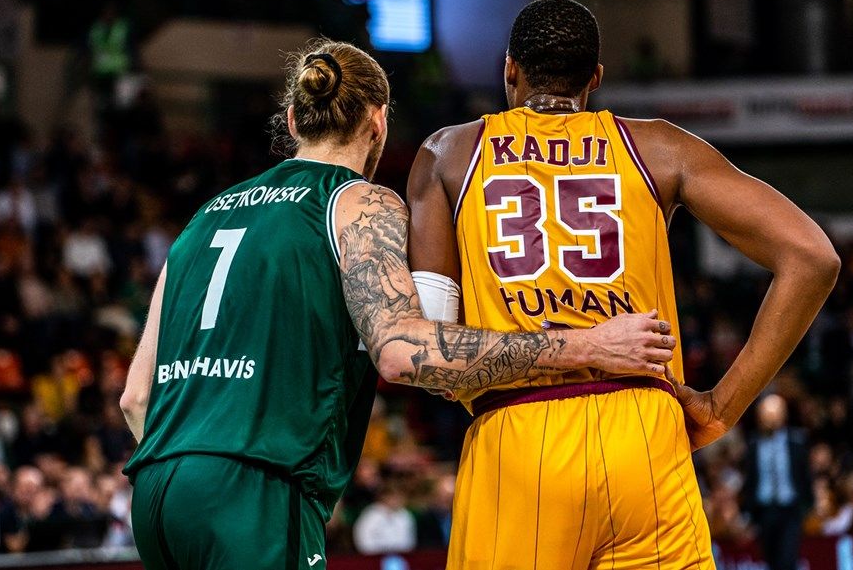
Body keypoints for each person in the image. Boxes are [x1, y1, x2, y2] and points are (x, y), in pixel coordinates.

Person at [119, 39, 678, 570]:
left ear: (292, 121)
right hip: (252, 484)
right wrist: (590, 344)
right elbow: (402, 352)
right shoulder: (356, 201)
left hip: (159, 488)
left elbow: (135, 397)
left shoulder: (203, 217)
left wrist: (192, 474)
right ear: (378, 121)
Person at [407, 0, 840, 569]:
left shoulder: (448, 153)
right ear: (597, 78)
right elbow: (813, 257)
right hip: (644, 432)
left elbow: (434, 351)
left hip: (520, 434)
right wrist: (720, 408)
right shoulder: (660, 147)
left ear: (509, 68)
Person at [742, 395, 812, 570]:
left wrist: (807, 506)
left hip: (790, 510)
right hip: (764, 512)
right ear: (759, 417)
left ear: (784, 415)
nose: (771, 418)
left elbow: (805, 476)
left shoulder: (796, 442)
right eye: (766, 414)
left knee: (787, 560)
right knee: (770, 560)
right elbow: (750, 479)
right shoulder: (753, 445)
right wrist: (748, 512)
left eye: (775, 413)